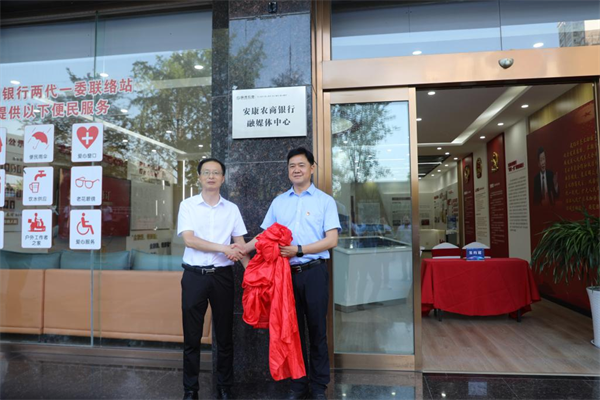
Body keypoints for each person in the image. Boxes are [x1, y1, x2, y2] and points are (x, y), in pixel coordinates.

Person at [241, 147, 341, 400]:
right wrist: (243, 249)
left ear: (312, 168)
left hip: (314, 272)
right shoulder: (279, 202)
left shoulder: (325, 201)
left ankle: (319, 386)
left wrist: (299, 249)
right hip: (284, 276)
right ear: (287, 171)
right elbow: (265, 235)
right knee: (291, 331)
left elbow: (332, 240)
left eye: (301, 165)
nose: (296, 170)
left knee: (317, 331)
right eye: (292, 166)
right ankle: (298, 384)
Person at [177, 158, 248, 400]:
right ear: (199, 177)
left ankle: (225, 387)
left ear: (223, 178)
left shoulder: (232, 209)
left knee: (225, 336)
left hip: (222, 277)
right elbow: (190, 240)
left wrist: (253, 273)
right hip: (194, 277)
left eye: (216, 173)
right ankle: (190, 390)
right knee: (192, 337)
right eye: (206, 172)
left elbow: (240, 245)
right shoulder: (187, 205)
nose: (211, 176)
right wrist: (223, 248)